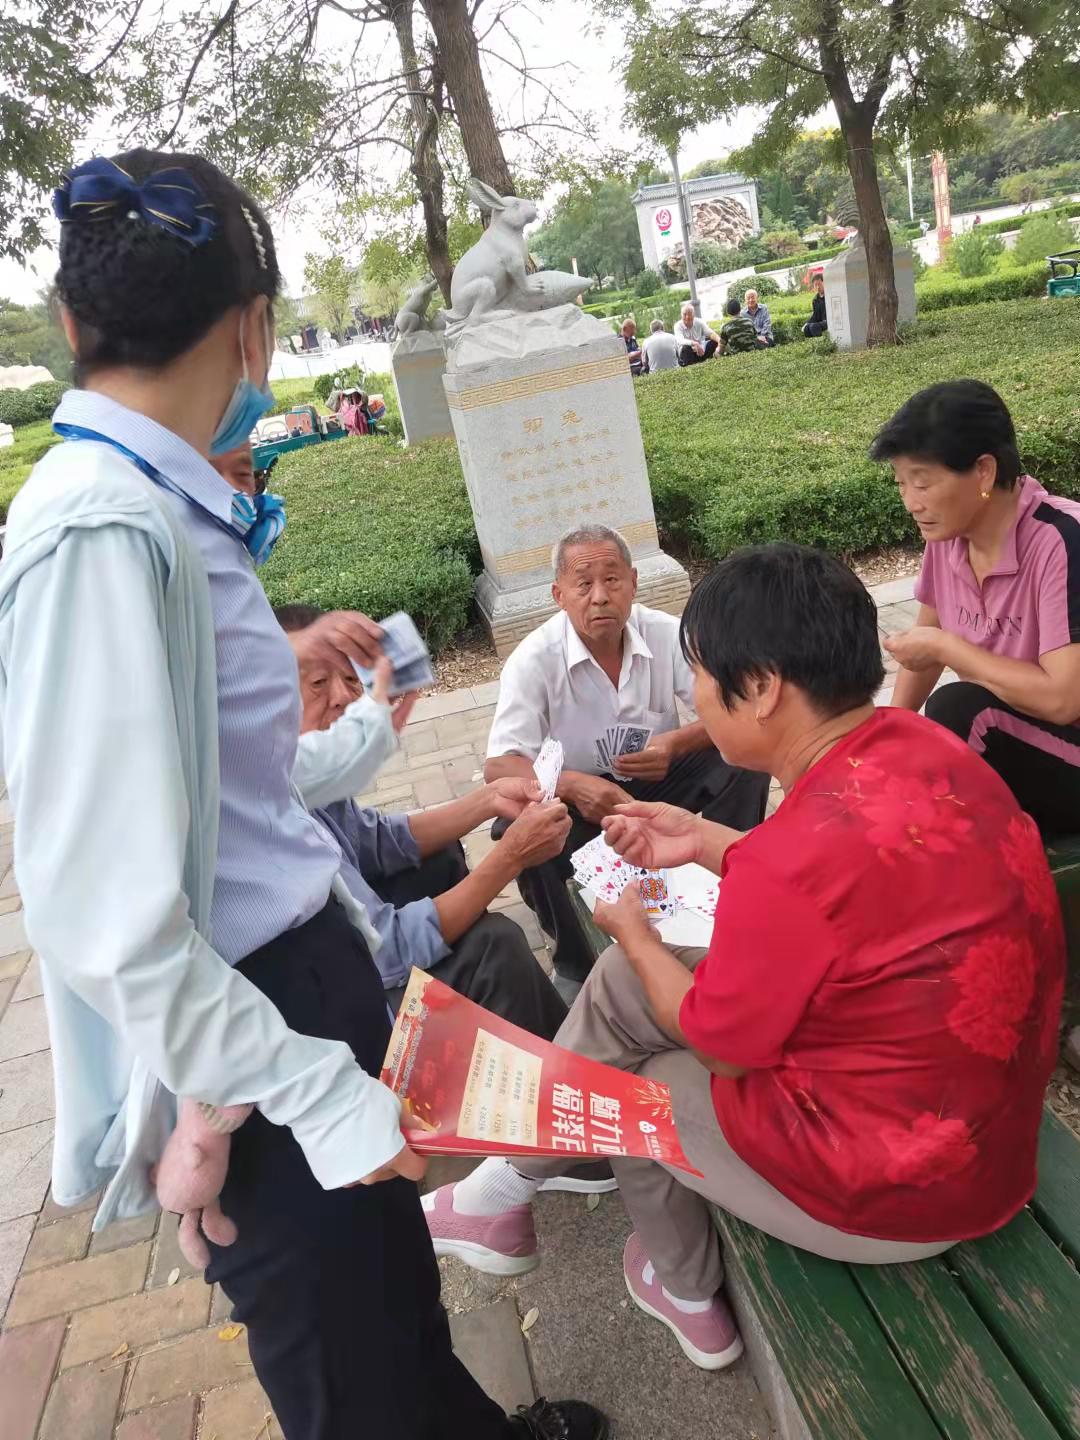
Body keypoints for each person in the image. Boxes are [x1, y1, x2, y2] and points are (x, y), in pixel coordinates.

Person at [0, 147, 606, 1440]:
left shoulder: (157, 507)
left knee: (388, 1303)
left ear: (69, 321)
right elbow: (102, 915)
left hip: (294, 1001)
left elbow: (237, 788)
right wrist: (316, 1095)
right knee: (349, 1376)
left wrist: (314, 683)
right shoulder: (95, 530)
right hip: (258, 1027)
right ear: (253, 324)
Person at [424, 542, 1064, 1372]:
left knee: (635, 1075)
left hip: (904, 1195)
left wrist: (634, 931)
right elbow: (844, 883)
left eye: (699, 674)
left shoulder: (795, 861)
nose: (693, 695)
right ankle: (507, 1189)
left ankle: (679, 1286)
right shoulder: (919, 743)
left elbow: (719, 1044)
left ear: (760, 688)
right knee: (623, 986)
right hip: (978, 1130)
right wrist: (703, 838)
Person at [484, 524, 769, 995]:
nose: (600, 596)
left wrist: (674, 744)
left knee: (740, 757)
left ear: (633, 583)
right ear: (559, 595)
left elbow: (732, 711)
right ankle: (575, 964)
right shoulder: (533, 660)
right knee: (519, 823)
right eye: (584, 584)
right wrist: (572, 784)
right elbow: (499, 765)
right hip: (573, 802)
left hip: (658, 782)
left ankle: (732, 889)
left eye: (612, 580)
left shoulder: (667, 634)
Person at [277, 604, 571, 1042]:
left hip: (353, 949)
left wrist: (488, 799)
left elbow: (374, 841)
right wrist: (510, 857)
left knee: (440, 857)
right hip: (333, 1011)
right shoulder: (277, 812)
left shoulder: (309, 771)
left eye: (352, 679)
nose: (342, 697)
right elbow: (387, 950)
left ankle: (500, 1021)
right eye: (318, 682)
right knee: (495, 948)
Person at [872, 379, 1080, 836]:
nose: (911, 502)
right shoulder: (947, 539)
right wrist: (885, 734)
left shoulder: (1063, 541)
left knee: (962, 711)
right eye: (901, 484)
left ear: (984, 471)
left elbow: (1063, 700)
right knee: (911, 744)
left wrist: (947, 647)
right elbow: (926, 646)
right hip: (1025, 742)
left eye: (922, 483)